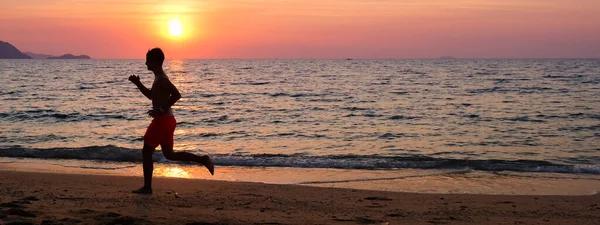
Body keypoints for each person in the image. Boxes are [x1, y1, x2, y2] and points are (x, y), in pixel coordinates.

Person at [128, 48, 214, 194]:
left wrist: (160, 110)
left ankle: (147, 187)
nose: (145, 63)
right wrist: (138, 84)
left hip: (162, 121)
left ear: (154, 61)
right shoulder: (158, 78)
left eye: (147, 60)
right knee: (169, 154)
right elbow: (151, 96)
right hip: (167, 120)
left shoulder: (161, 78)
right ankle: (203, 160)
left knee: (146, 151)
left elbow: (176, 94)